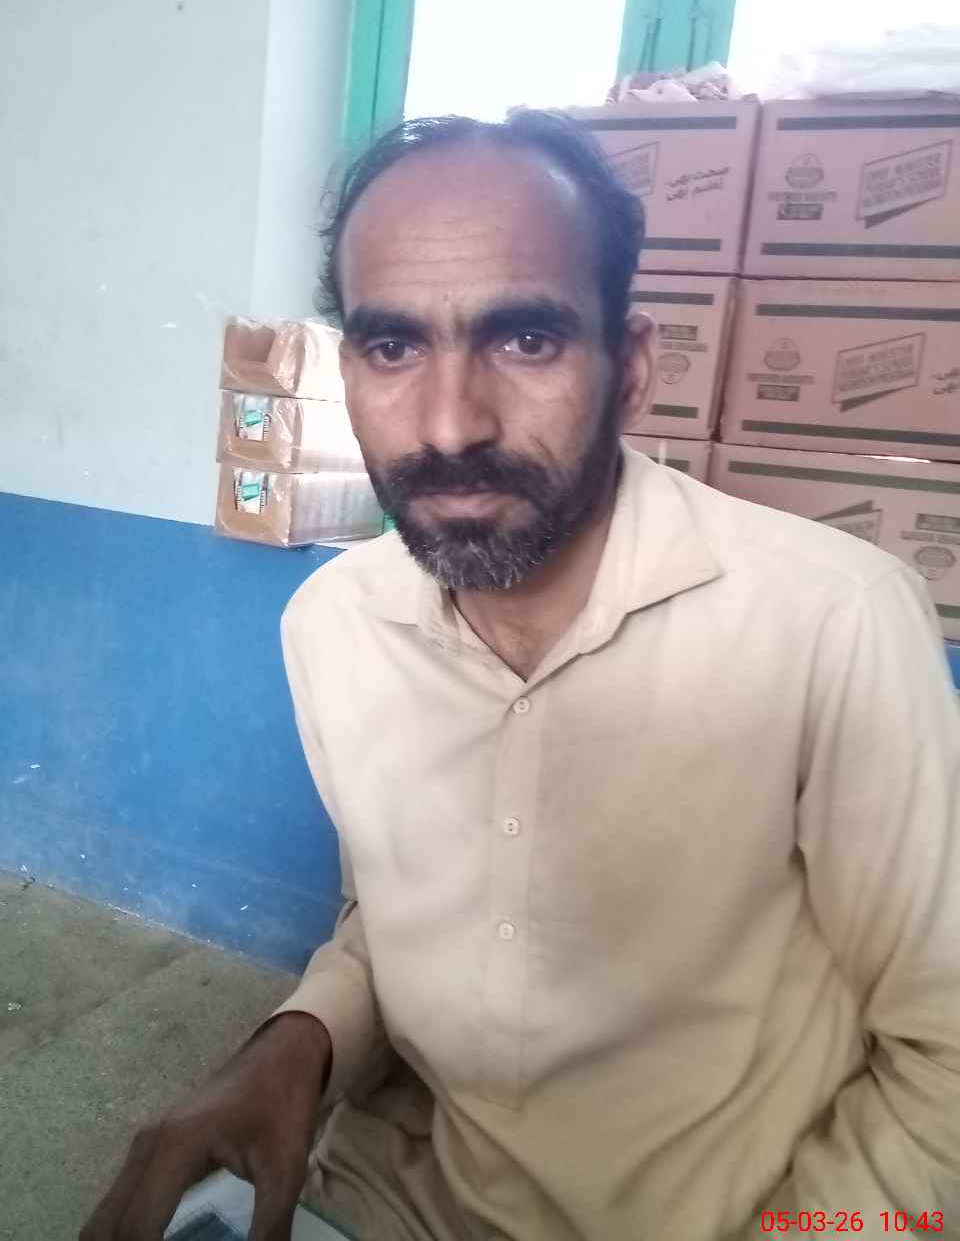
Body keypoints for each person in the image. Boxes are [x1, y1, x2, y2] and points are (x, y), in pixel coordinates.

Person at [81, 111, 960, 1241]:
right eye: (393, 347)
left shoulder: (834, 624)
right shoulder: (333, 626)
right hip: (389, 1195)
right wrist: (298, 1043)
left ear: (630, 367)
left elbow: (945, 1061)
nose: (450, 425)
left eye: (527, 339)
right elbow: (397, 920)